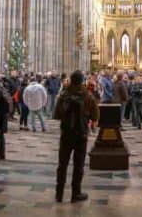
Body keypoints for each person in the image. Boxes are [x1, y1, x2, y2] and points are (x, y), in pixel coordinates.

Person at [53, 70, 99, 203]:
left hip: (66, 134)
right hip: (81, 134)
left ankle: (59, 193)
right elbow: (95, 116)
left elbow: (57, 115)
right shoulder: (87, 95)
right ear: (82, 80)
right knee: (78, 166)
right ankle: (75, 193)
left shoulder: (64, 95)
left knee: (62, 165)